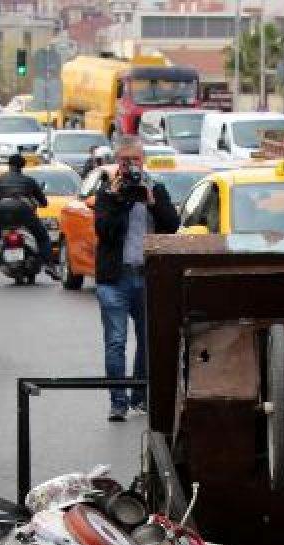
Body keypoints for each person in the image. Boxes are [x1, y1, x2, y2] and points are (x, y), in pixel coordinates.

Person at [93, 136, 180, 422]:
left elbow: (172, 226)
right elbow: (105, 232)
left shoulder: (156, 187)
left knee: (147, 340)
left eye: (135, 160)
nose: (130, 166)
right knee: (116, 341)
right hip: (114, 279)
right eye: (124, 161)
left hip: (147, 276)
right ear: (117, 162)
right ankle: (117, 402)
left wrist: (152, 202)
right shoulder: (108, 192)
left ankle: (140, 397)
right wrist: (122, 201)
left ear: (144, 161)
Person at [0, 153, 52, 284]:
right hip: (23, 212)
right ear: (23, 166)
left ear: (9, 165)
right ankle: (49, 265)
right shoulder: (29, 180)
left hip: (0, 212)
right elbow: (44, 202)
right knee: (42, 236)